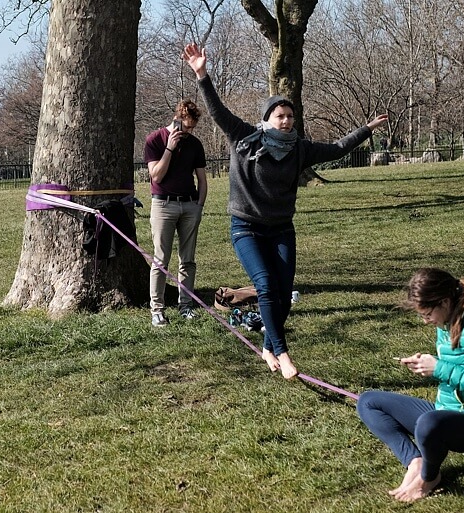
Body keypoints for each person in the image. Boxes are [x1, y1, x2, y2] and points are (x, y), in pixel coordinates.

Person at [182, 43, 388, 379]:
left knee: (284, 296)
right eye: (280, 115)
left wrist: (366, 129)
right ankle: (282, 352)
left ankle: (268, 344)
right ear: (267, 119)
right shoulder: (245, 138)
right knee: (265, 286)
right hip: (246, 226)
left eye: (290, 116)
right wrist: (202, 74)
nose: (287, 120)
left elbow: (337, 149)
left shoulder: (300, 150)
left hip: (280, 228)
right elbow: (218, 112)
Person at [357, 268, 464, 502]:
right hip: (446, 411)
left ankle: (429, 477)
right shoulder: (446, 323)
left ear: (445, 302)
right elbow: (453, 371)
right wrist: (425, 365)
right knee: (368, 401)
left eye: (428, 314)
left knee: (428, 424)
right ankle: (415, 462)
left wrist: (438, 368)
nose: (426, 321)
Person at [144, 100, 208, 327]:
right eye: (186, 127)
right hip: (163, 205)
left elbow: (202, 180)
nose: (188, 132)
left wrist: (198, 207)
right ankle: (157, 310)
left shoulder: (195, 144)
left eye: (192, 128)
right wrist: (170, 148)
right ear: (176, 120)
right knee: (160, 260)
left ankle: (186, 306)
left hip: (189, 205)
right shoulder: (155, 140)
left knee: (188, 260)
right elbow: (156, 176)